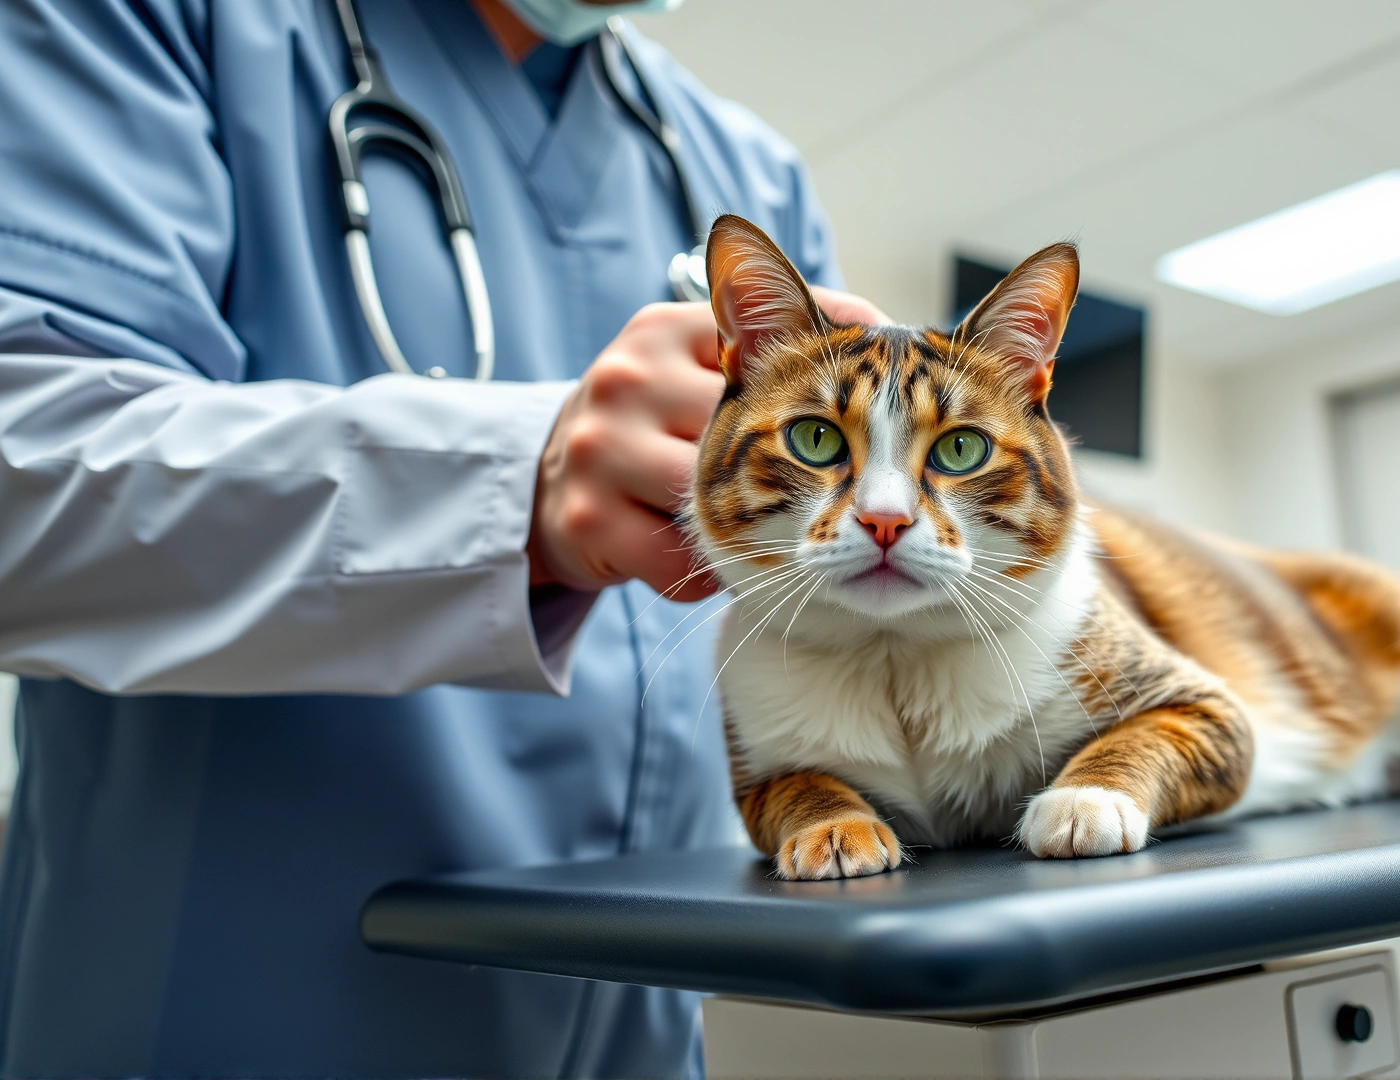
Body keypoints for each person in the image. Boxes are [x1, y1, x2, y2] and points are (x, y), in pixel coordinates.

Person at [0, 0, 883, 1073]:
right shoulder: (160, 22)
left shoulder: (746, 175)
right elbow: (26, 473)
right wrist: (512, 482)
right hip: (231, 1021)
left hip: (643, 1038)